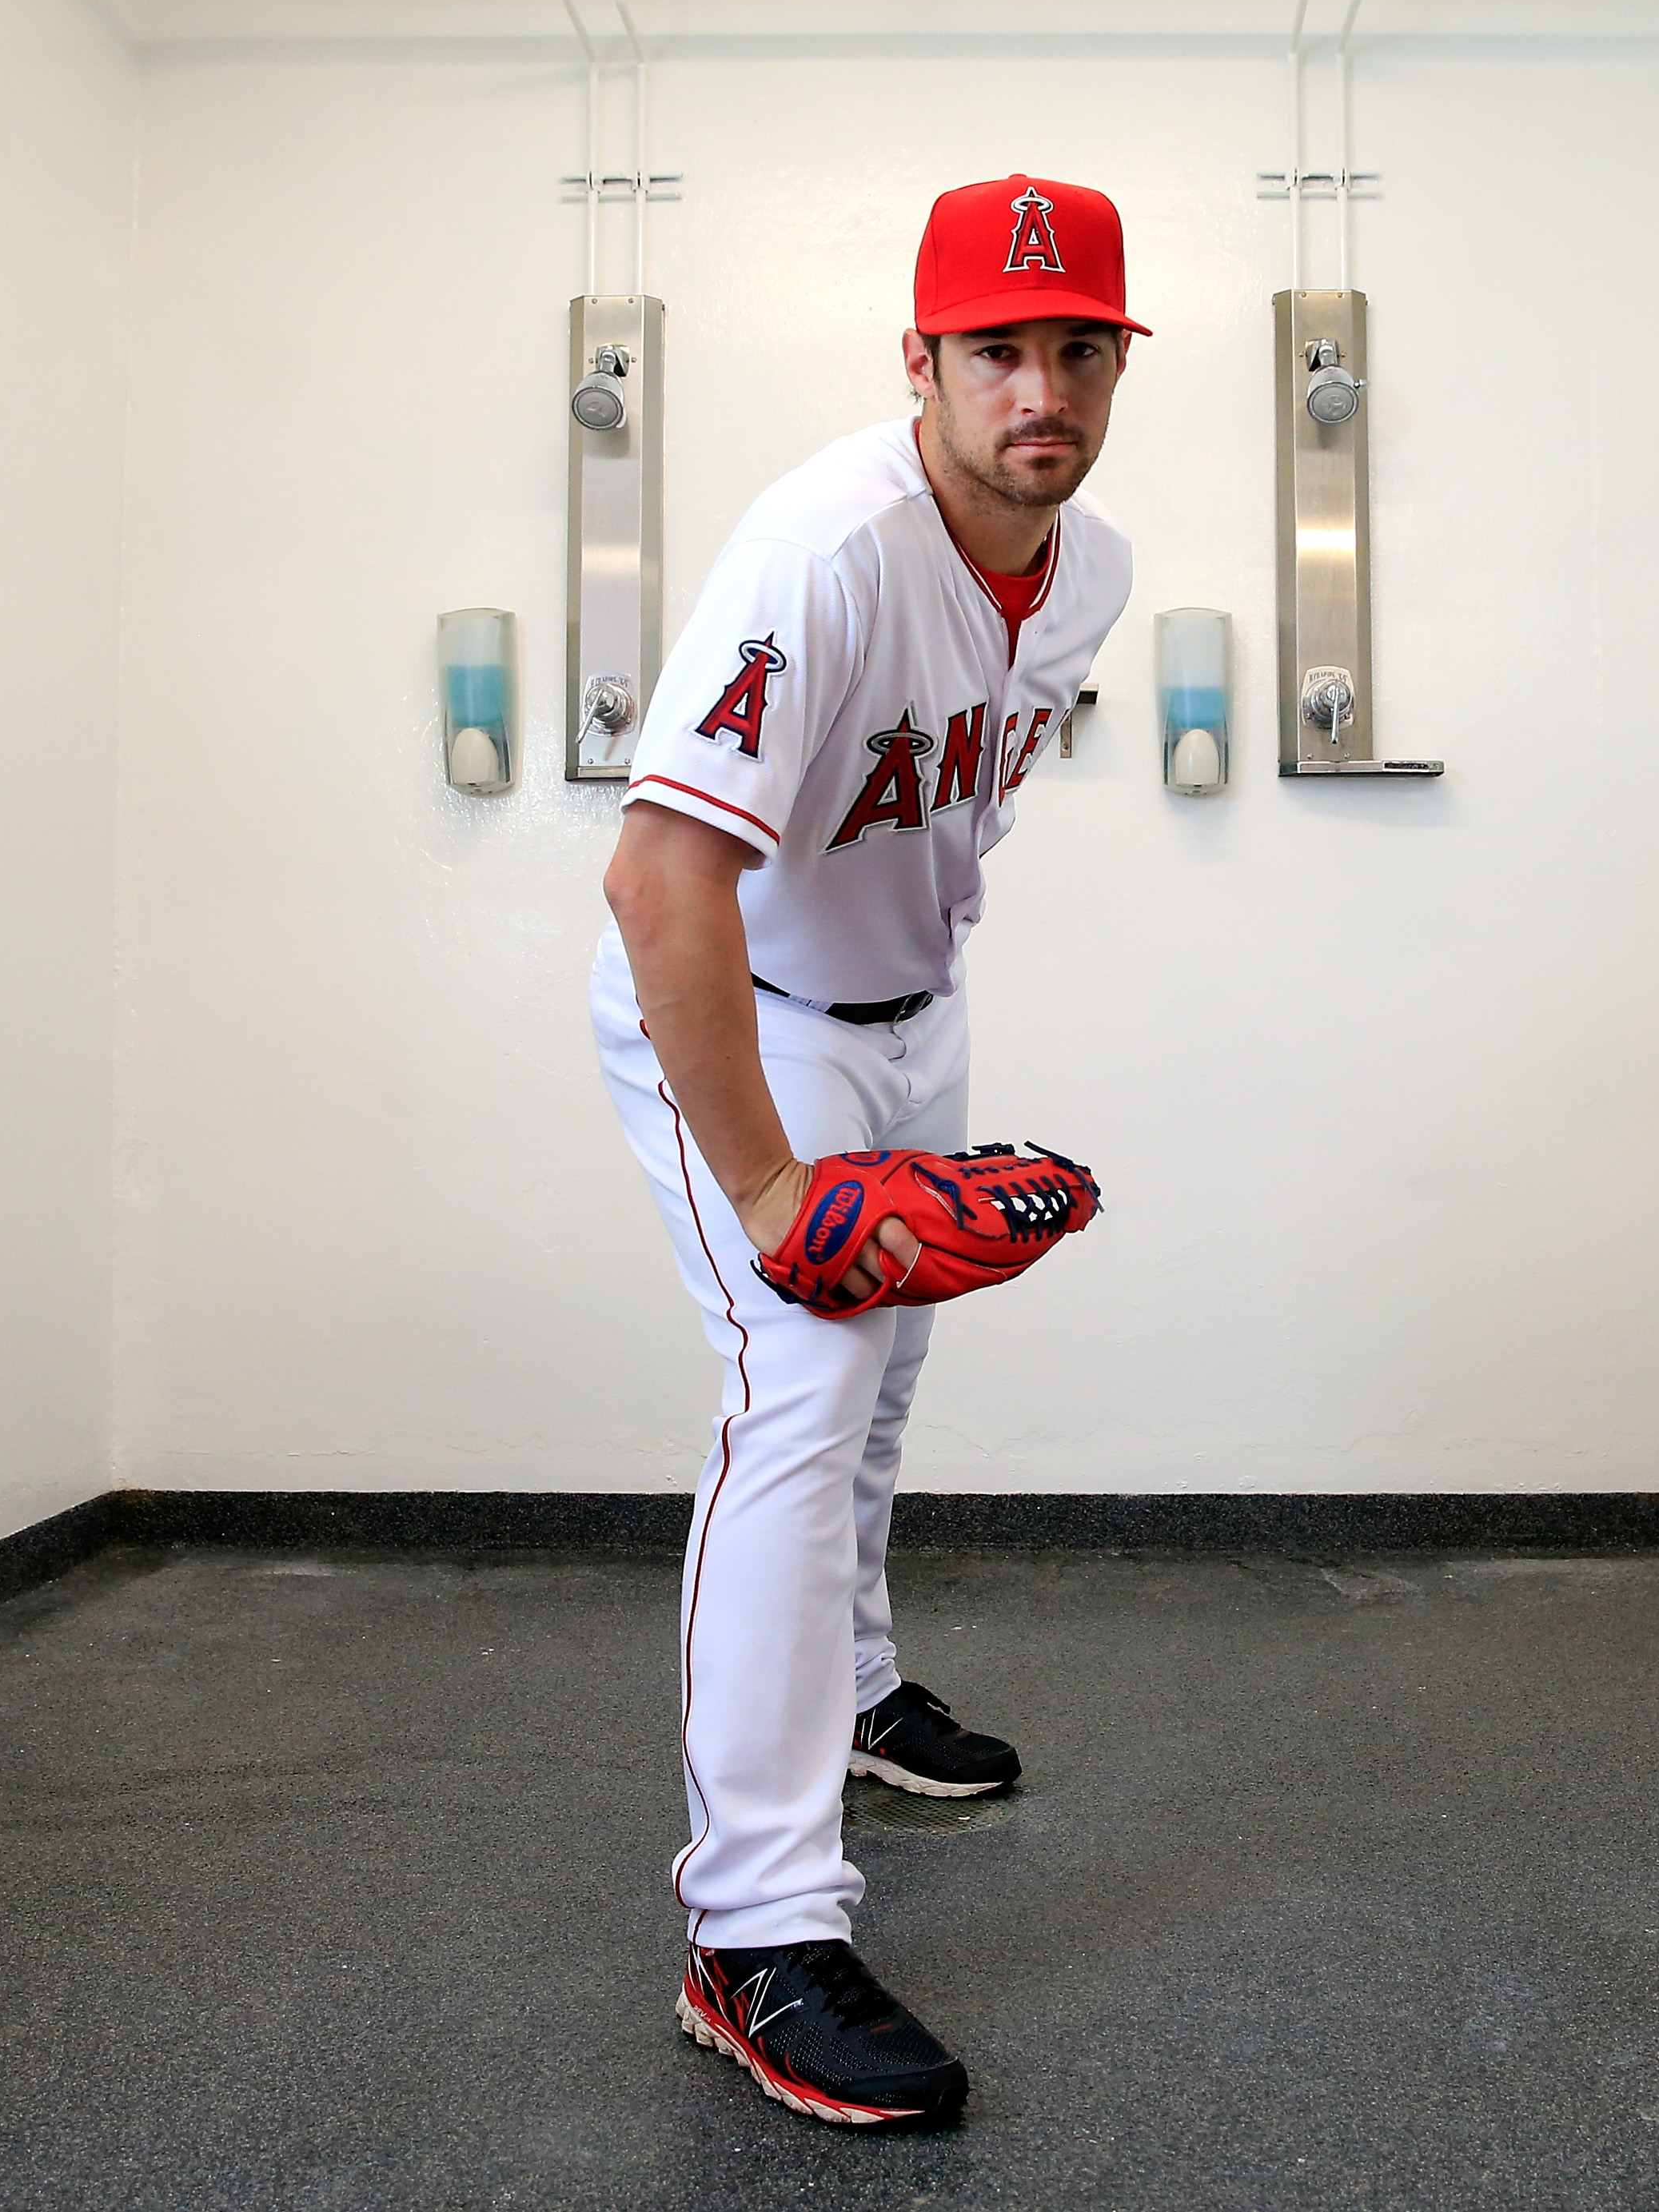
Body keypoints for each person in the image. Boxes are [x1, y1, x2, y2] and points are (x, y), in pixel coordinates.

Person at [590, 173, 1143, 2130]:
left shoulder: (1090, 574)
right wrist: (767, 1186)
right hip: (732, 1012)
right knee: (803, 1384)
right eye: (997, 348)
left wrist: (907, 1087)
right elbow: (661, 875)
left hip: (912, 1014)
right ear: (921, 364)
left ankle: (863, 1688)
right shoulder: (824, 548)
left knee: (892, 1377)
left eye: (1079, 346)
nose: (1041, 386)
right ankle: (752, 1928)